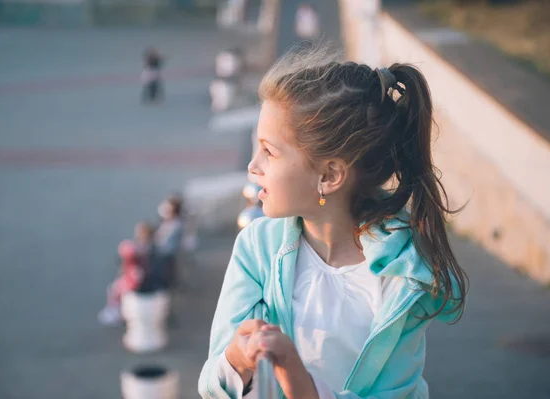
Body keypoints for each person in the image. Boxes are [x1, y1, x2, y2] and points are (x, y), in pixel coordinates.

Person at [198, 46, 468, 399]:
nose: (252, 166)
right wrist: (237, 358)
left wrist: (295, 375)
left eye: (269, 151)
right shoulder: (257, 249)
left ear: (329, 175)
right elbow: (211, 388)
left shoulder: (404, 278)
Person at [98, 222, 154, 325]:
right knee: (114, 288)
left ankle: (116, 311)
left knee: (115, 289)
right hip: (136, 277)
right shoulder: (144, 246)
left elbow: (139, 266)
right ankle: (115, 309)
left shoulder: (143, 249)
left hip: (139, 280)